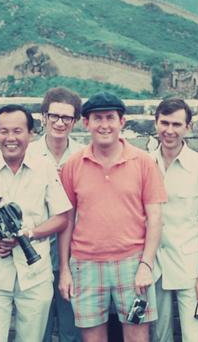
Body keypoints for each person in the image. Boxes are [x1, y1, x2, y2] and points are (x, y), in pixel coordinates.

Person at [58, 92, 167, 342]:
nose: (104, 125)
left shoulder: (143, 162)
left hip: (132, 263)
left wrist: (146, 265)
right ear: (86, 123)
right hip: (85, 265)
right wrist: (64, 269)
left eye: (110, 118)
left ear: (122, 122)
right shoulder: (73, 165)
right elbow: (66, 221)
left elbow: (156, 218)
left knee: (137, 337)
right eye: (97, 118)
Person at [0, 104, 73, 341]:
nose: (10, 138)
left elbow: (62, 217)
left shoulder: (45, 169)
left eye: (18, 131)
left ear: (31, 134)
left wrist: (30, 234)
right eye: (4, 131)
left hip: (35, 276)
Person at [150, 99, 198, 342]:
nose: (169, 130)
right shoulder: (144, 164)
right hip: (154, 266)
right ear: (156, 123)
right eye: (164, 123)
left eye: (177, 124)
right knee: (159, 337)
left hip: (190, 268)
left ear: (188, 127)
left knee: (195, 337)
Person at [32, 88, 84, 342]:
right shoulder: (27, 153)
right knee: (36, 329)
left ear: (75, 122)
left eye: (67, 118)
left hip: (75, 255)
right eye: (54, 116)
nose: (60, 122)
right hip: (36, 252)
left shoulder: (84, 155)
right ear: (44, 116)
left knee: (71, 330)